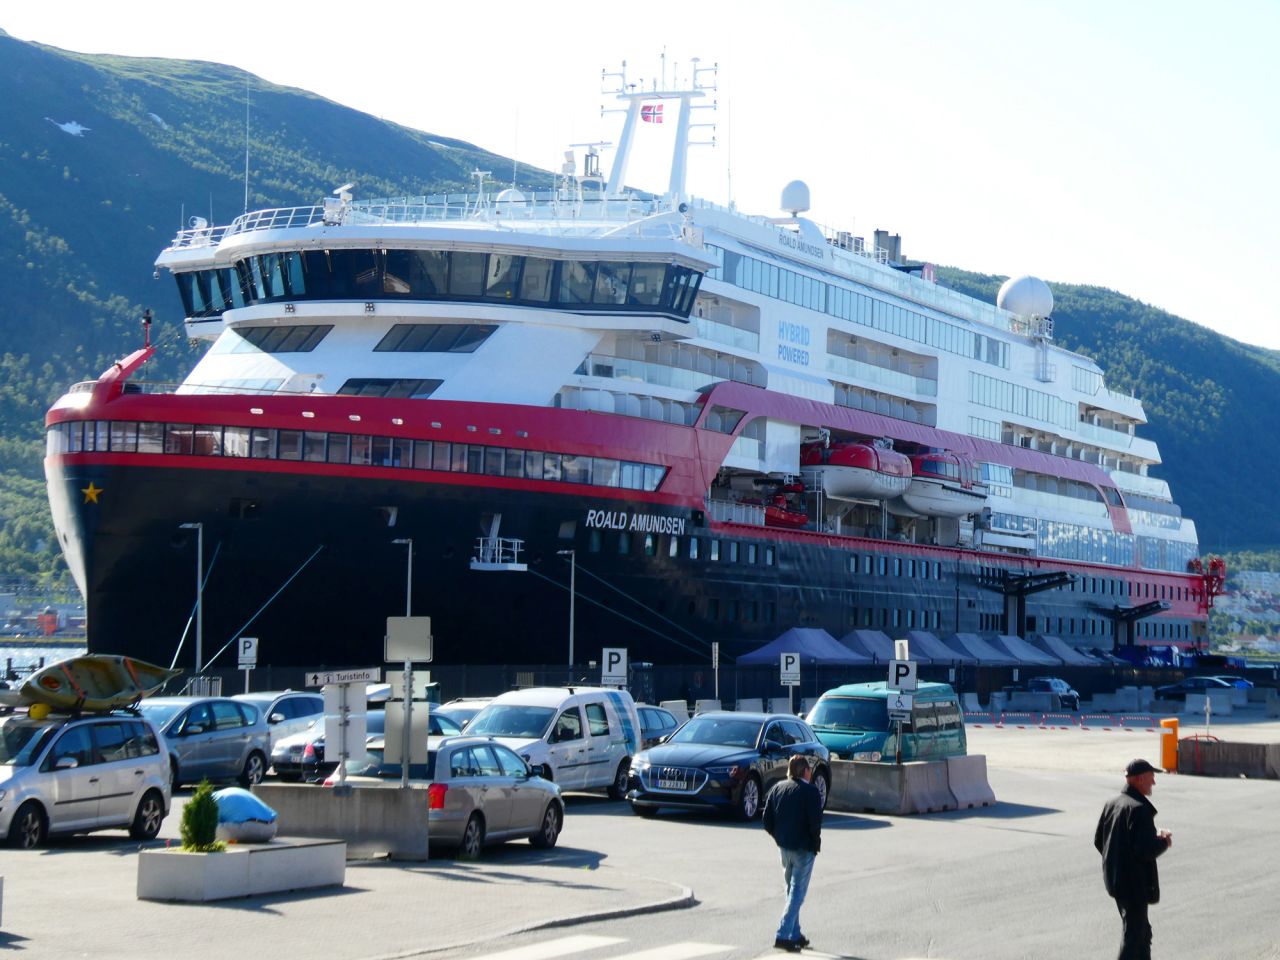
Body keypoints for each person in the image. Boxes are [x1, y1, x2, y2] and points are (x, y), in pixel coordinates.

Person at [1094, 758, 1172, 960]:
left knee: (1142, 933)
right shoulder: (1139, 809)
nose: (1153, 782)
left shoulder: (1113, 803)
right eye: (1151, 778)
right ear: (1139, 779)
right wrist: (1164, 842)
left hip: (1117, 881)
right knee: (1134, 937)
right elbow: (1145, 850)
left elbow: (1099, 840)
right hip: (1134, 885)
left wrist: (1116, 860)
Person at [762, 755, 823, 952]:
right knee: (798, 892)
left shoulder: (778, 788)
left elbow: (766, 819)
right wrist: (815, 843)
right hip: (803, 848)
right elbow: (815, 823)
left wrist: (778, 836)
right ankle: (782, 933)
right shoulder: (811, 792)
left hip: (784, 847)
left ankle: (795, 933)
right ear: (805, 770)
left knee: (791, 890)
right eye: (809, 770)